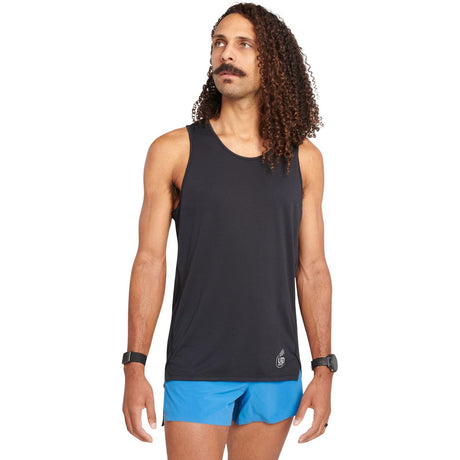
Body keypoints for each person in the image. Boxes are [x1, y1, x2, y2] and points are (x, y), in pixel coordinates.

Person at [122, 3, 337, 458]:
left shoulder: (305, 159)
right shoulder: (173, 151)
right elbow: (150, 261)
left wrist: (324, 368)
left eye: (243, 45)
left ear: (271, 61)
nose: (227, 54)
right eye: (219, 42)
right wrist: (134, 365)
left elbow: (313, 268)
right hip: (197, 365)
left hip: (275, 367)